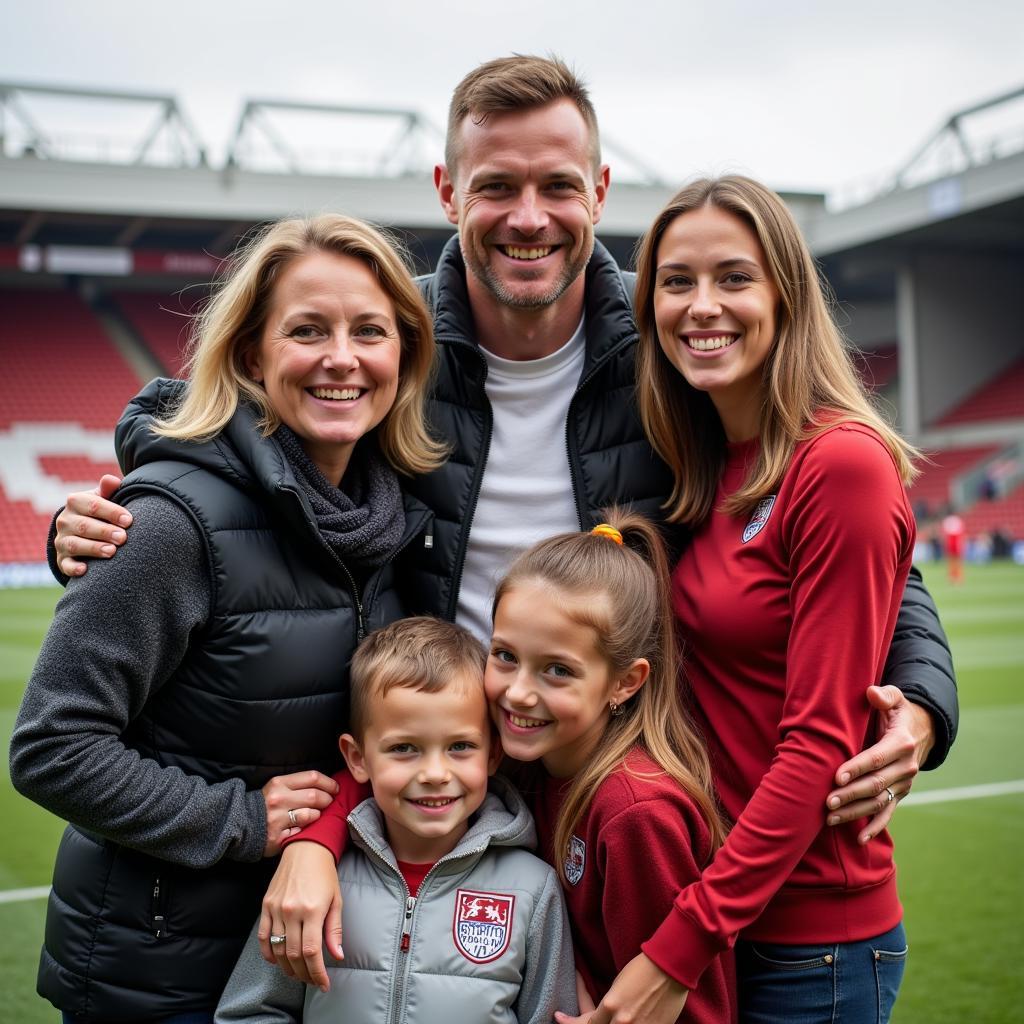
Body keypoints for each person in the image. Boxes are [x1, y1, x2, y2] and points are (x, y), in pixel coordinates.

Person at [46, 56, 957, 1000]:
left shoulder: (670, 361)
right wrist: (122, 510)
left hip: (620, 818)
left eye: (559, 184)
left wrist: (926, 702)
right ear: (447, 191)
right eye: (496, 187)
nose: (529, 217)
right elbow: (212, 410)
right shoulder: (392, 350)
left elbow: (854, 543)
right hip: (431, 799)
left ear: (599, 192)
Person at [10, 214, 444, 1023]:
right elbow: (51, 747)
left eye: (370, 332)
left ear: (404, 357)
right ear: (251, 354)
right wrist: (242, 820)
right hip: (161, 976)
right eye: (306, 330)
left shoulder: (390, 521)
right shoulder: (173, 521)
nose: (341, 358)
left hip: (306, 965)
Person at [595, 174, 918, 1023]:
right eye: (677, 282)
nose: (703, 306)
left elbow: (816, 748)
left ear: (785, 294)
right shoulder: (709, 460)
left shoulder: (839, 465)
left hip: (810, 940)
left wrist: (678, 950)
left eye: (733, 278)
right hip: (730, 909)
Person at [215, 616, 577, 1024]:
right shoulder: (315, 883)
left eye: (460, 746)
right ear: (358, 758)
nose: (435, 773)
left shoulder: (532, 889)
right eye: (405, 748)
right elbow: (250, 1012)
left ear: (493, 754)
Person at [488, 513, 735, 1024]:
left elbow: (693, 1010)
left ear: (626, 682)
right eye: (505, 656)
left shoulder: (634, 813)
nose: (517, 692)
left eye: (558, 670)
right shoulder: (526, 763)